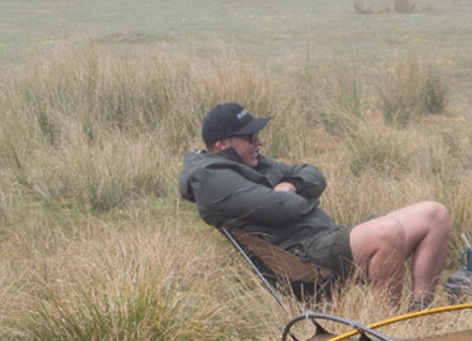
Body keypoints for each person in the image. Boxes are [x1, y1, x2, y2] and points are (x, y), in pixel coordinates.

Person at [179, 102, 451, 306]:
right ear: (222, 143)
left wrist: (292, 186)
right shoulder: (211, 179)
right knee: (387, 231)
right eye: (250, 137)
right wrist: (293, 196)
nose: (259, 141)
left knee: (434, 214)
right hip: (301, 260)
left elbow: (314, 176)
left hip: (324, 238)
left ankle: (419, 314)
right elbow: (282, 208)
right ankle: (391, 331)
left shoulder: (250, 161)